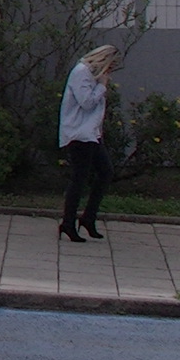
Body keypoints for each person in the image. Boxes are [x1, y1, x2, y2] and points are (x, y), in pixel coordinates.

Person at [58, 44, 120, 242]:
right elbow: (86, 102)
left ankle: (88, 217)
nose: (110, 72)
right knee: (80, 177)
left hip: (91, 133)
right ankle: (68, 222)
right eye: (110, 66)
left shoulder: (92, 75)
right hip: (78, 133)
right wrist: (102, 86)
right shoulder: (81, 72)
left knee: (105, 172)